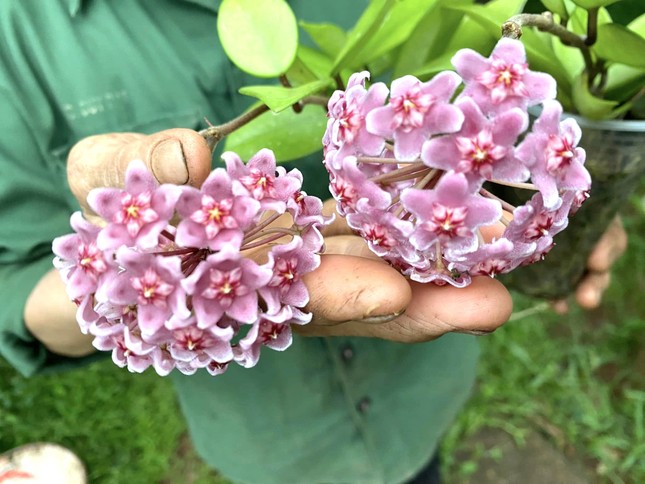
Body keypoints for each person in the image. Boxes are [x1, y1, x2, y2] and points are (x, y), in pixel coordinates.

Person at [0, 1, 626, 482]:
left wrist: (559, 207)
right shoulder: (16, 40)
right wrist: (121, 299)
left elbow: (494, 132)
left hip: (421, 387)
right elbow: (18, 282)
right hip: (268, 440)